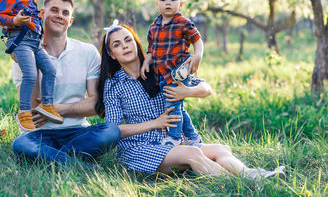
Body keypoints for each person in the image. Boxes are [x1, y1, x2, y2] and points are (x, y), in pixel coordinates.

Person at [96, 23, 285, 179]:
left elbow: (206, 89)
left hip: (172, 140)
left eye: (128, 40)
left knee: (220, 149)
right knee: (192, 154)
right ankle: (241, 185)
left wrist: (187, 91)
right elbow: (114, 130)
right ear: (112, 54)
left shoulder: (162, 68)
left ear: (136, 44)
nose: (125, 46)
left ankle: (254, 176)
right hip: (139, 147)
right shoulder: (114, 85)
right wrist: (156, 123)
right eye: (117, 44)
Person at [12, 0, 120, 167]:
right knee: (21, 144)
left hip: (78, 133)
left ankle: (52, 158)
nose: (59, 16)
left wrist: (57, 110)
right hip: (41, 134)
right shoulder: (24, 55)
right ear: (41, 13)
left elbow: (95, 105)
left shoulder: (87, 52)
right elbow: (32, 111)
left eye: (65, 13)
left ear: (70, 21)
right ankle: (81, 167)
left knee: (111, 131)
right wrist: (34, 58)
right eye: (54, 10)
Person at [0, 0, 62, 132]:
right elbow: (0, 17)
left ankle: (47, 104)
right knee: (31, 75)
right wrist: (15, 21)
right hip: (21, 41)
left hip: (34, 42)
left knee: (50, 69)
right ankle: (24, 112)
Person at [141, 0, 204, 146]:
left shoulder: (183, 23)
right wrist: (147, 61)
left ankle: (175, 138)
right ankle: (192, 136)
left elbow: (197, 40)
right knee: (177, 107)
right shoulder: (154, 26)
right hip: (162, 73)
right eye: (163, 0)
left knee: (172, 105)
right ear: (157, 4)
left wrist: (197, 55)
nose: (168, 3)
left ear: (181, 4)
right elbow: (151, 48)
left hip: (178, 73)